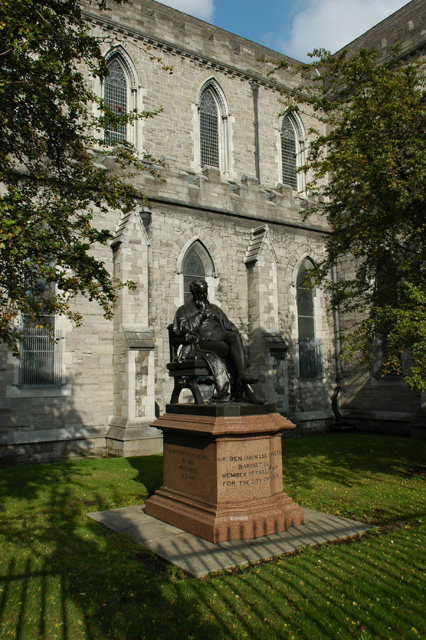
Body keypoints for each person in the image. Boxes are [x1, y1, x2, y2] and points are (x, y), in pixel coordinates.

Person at [173, 279, 263, 403]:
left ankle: (242, 375)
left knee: (235, 337)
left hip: (220, 335)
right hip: (202, 342)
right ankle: (247, 391)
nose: (204, 296)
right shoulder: (184, 310)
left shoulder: (214, 308)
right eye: (200, 293)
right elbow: (184, 328)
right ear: (194, 293)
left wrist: (232, 327)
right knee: (231, 352)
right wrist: (201, 315)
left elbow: (227, 323)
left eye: (205, 292)